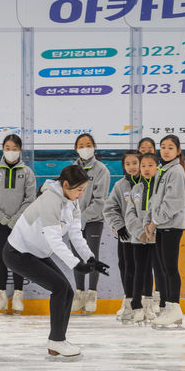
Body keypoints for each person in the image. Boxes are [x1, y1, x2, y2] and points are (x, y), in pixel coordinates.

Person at [3, 165, 110, 360]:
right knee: (60, 287)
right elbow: (54, 239)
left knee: (66, 290)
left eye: (84, 190)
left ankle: (57, 342)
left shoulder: (71, 201)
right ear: (66, 184)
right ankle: (57, 341)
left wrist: (90, 258)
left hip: (37, 252)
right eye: (79, 189)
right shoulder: (50, 200)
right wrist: (76, 264)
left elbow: (76, 234)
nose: (81, 194)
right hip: (18, 253)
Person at [0, 134, 36, 315]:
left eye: (14, 148)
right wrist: (2, 219)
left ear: (20, 150)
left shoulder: (27, 172)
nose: (10, 152)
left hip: (20, 224)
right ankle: (1, 297)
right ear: (2, 149)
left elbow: (30, 199)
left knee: (18, 260)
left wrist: (16, 220)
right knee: (1, 260)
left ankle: (18, 297)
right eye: (7, 148)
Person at [144, 135, 185, 330]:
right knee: (163, 268)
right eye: (163, 147)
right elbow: (155, 200)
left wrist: (155, 222)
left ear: (178, 151)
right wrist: (150, 221)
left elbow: (173, 202)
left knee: (169, 268)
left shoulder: (176, 171)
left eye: (170, 147)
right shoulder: (163, 170)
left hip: (171, 225)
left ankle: (174, 307)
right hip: (162, 225)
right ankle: (170, 310)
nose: (166, 150)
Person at [70, 133, 111, 314]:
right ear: (76, 149)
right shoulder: (71, 169)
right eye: (81, 145)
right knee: (76, 256)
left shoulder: (102, 170)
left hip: (94, 220)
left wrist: (84, 218)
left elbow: (100, 200)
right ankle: (79, 293)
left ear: (94, 147)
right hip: (73, 221)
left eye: (88, 144)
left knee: (91, 255)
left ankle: (92, 293)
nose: (85, 147)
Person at [122, 152, 160, 324]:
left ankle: (150, 304)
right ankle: (136, 305)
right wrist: (141, 232)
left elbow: (160, 211)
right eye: (143, 165)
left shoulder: (161, 187)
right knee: (139, 271)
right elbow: (129, 213)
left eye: (150, 165)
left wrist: (152, 230)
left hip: (157, 236)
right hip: (139, 237)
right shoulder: (136, 189)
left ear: (157, 167)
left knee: (157, 271)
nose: (146, 169)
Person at [103, 150, 141, 321]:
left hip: (144, 236)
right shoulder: (120, 185)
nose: (132, 167)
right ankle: (128, 299)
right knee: (127, 268)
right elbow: (110, 209)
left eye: (135, 162)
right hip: (126, 236)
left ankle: (145, 302)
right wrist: (119, 226)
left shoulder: (150, 184)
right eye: (128, 164)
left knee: (143, 269)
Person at [137, 137, 163, 309]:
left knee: (159, 264)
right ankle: (145, 299)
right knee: (142, 266)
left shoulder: (162, 176)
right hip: (140, 228)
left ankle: (160, 298)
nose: (146, 151)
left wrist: (153, 223)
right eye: (142, 148)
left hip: (158, 226)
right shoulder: (135, 178)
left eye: (150, 148)